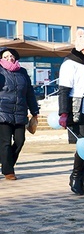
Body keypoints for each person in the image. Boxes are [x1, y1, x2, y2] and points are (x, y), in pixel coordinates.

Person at [58, 29, 84, 195]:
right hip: (79, 109)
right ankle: (76, 178)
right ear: (79, 49)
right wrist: (63, 113)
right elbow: (64, 90)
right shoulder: (70, 64)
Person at [0, 47, 40, 180]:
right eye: (5, 56)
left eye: (11, 56)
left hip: (20, 112)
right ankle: (8, 171)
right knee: (5, 143)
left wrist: (34, 111)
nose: (9, 58)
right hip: (2, 112)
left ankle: (6, 163)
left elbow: (29, 93)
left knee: (20, 141)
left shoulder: (22, 72)